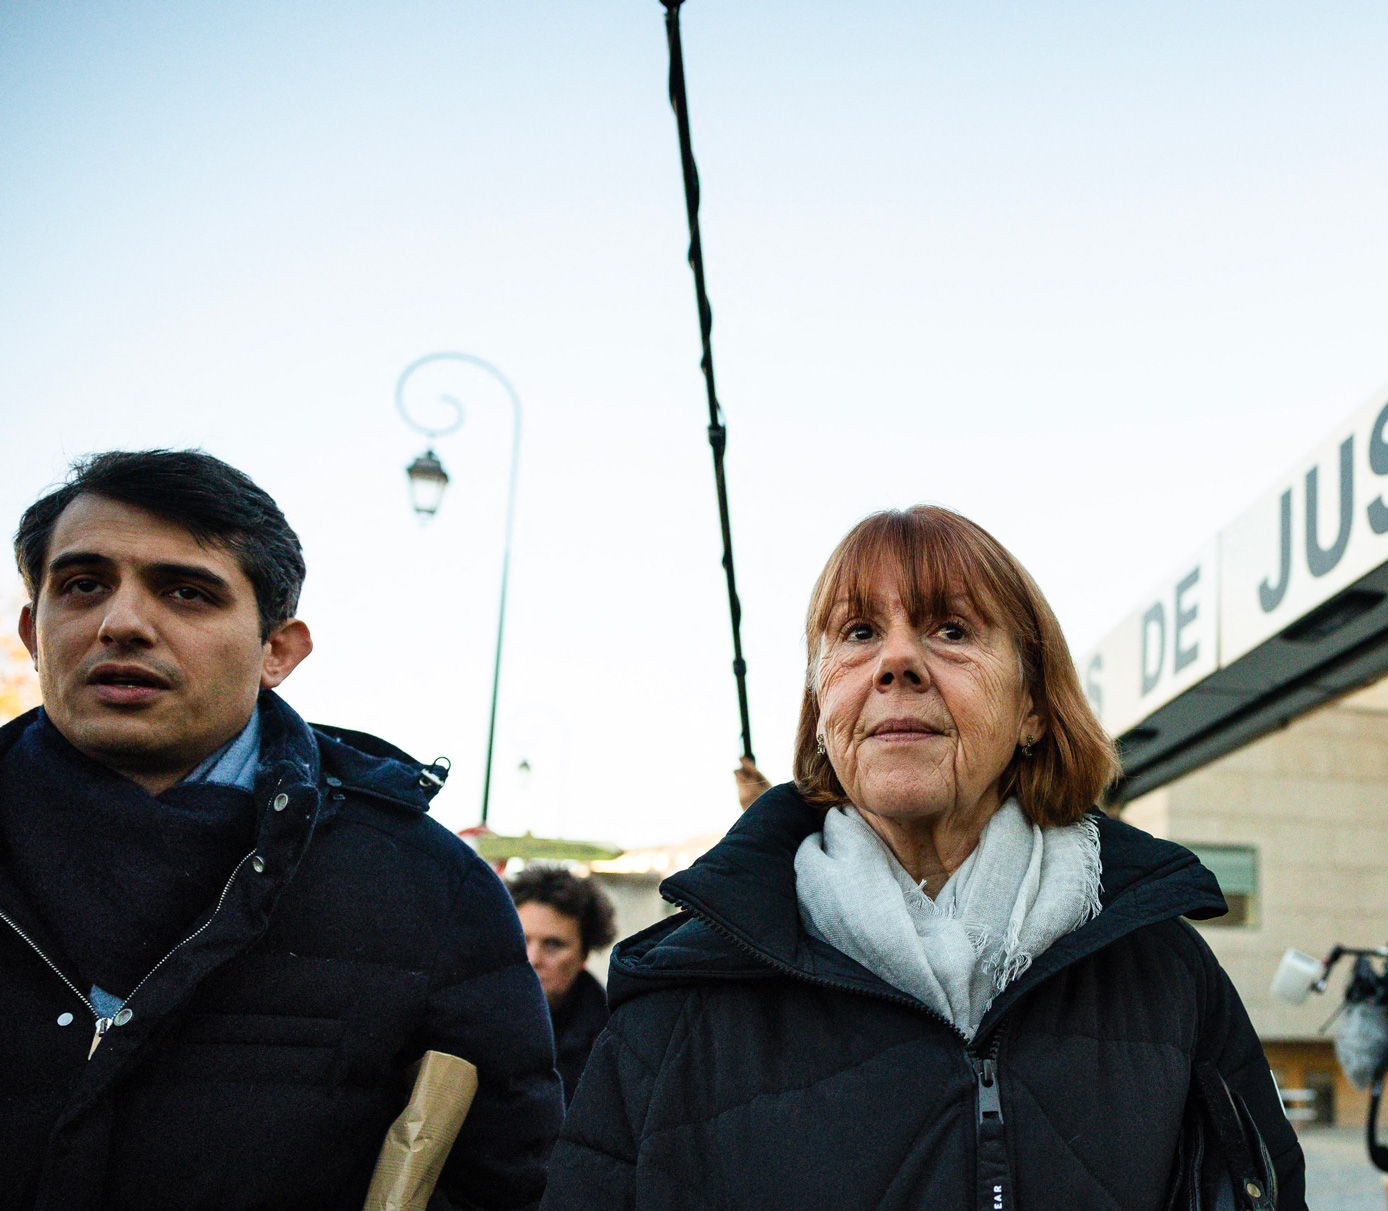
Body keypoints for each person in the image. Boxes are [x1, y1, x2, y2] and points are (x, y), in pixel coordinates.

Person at [542, 504, 1306, 1211]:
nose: (896, 662)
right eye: (859, 633)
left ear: (1032, 708)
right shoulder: (683, 993)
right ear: (821, 715)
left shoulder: (1166, 970)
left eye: (950, 630)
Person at [0, 450, 562, 1210]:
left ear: (278, 651)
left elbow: (504, 1176)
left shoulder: (432, 890)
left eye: (187, 592)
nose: (122, 622)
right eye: (83, 585)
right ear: (34, 631)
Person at [507, 865, 616, 1104]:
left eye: (553, 944)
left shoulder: (612, 1042)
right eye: (520, 939)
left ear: (583, 955)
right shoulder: (469, 1019)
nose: (532, 959)